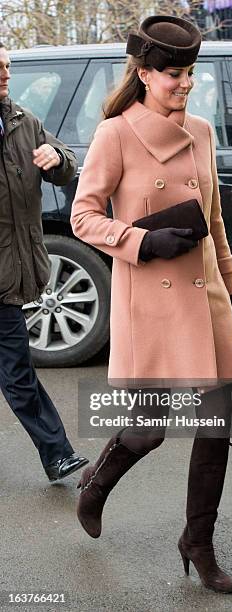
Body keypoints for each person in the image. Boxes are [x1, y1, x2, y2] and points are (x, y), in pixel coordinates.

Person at [71, 15, 232, 594]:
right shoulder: (115, 133)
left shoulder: (201, 130)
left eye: (191, 73)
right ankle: (96, 485)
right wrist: (142, 241)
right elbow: (83, 217)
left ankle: (197, 542)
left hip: (205, 298)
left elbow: (214, 217)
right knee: (148, 429)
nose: (186, 84)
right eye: (174, 74)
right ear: (144, 73)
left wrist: (231, 286)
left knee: (216, 426)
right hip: (151, 300)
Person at [0, 42, 88, 481]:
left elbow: (68, 162)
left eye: (7, 66)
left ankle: (57, 455)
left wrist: (57, 161)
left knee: (17, 374)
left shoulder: (22, 121)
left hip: (6, 277)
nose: (4, 74)